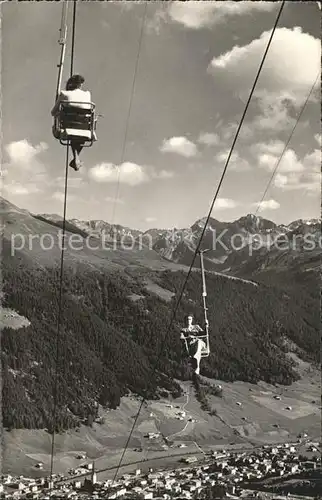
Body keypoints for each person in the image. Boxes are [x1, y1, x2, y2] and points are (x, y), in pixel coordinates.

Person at [51, 74, 95, 171]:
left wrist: (59, 111)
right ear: (80, 85)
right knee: (79, 132)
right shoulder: (87, 94)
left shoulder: (64, 93)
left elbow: (53, 112)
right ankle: (76, 158)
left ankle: (76, 159)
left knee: (72, 131)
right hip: (84, 126)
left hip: (69, 125)